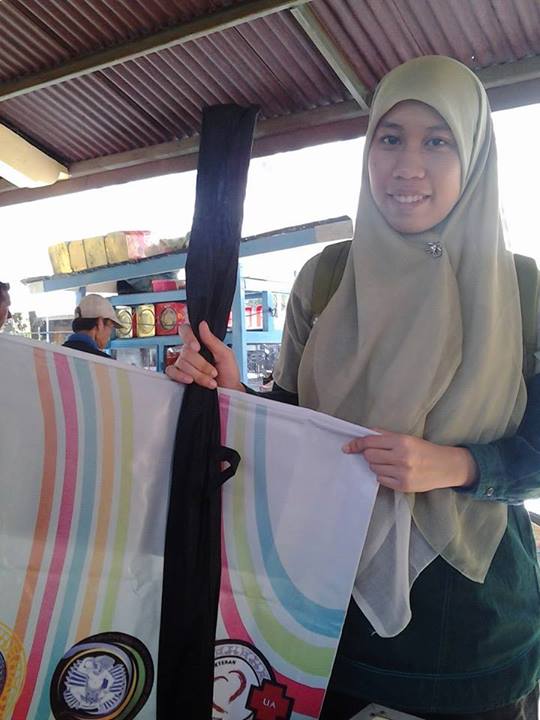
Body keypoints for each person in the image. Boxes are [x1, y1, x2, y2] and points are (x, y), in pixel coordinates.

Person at [167, 56, 540, 719]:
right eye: (390, 138)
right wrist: (234, 396)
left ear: (475, 156)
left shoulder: (524, 290)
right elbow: (293, 423)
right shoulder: (327, 278)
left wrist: (456, 465)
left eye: (438, 141)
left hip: (468, 628)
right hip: (321, 610)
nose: (407, 166)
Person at [63, 294, 121, 359]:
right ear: (100, 324)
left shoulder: (56, 355)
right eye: (111, 327)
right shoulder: (105, 362)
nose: (110, 334)